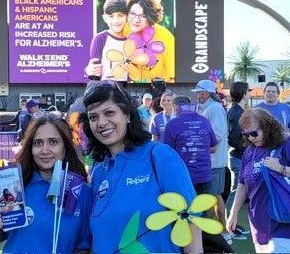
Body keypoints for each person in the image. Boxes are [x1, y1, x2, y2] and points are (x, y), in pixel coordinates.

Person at [79, 80, 202, 253]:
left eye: (109, 112)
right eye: (93, 117)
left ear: (127, 115)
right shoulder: (99, 172)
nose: (101, 122)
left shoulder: (159, 156)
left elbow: (191, 220)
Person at [0, 112, 92, 253]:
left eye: (53, 142)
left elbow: (83, 247)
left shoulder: (81, 192)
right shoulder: (15, 184)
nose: (44, 150)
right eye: (38, 143)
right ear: (30, 148)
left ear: (65, 146)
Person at [227, 108, 290, 253]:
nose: (251, 138)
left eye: (254, 133)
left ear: (266, 127)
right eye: (246, 134)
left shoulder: (288, 143)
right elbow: (243, 184)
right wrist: (233, 213)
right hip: (259, 218)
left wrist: (281, 168)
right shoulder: (249, 152)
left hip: (286, 217)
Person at [191, 79, 230, 244]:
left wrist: (200, 146)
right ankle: (221, 230)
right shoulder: (211, 108)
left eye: (199, 92)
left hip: (214, 161)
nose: (198, 95)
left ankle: (221, 231)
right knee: (214, 195)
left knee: (213, 196)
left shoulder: (214, 108)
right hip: (212, 160)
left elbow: (218, 134)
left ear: (206, 93)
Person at [164, 95, 217, 195]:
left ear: (175, 107)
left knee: (184, 208)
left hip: (182, 176)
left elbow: (168, 153)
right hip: (204, 175)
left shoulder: (172, 124)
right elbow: (213, 148)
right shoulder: (204, 121)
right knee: (201, 208)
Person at [125, 0, 175, 83]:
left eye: (143, 16)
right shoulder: (123, 30)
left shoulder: (165, 37)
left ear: (150, 17)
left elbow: (174, 78)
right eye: (132, 14)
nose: (136, 20)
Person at [226, 81, 251, 240]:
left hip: (240, 157)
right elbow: (234, 139)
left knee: (238, 192)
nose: (249, 94)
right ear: (244, 94)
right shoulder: (236, 113)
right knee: (235, 193)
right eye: (248, 91)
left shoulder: (239, 111)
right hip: (238, 158)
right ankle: (230, 226)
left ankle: (232, 224)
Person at [85, 0, 128, 81]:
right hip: (105, 90)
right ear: (105, 18)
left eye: (120, 15)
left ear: (127, 16)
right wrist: (88, 71)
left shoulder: (133, 38)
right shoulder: (100, 38)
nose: (116, 21)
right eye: (111, 16)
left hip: (129, 89)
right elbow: (94, 72)